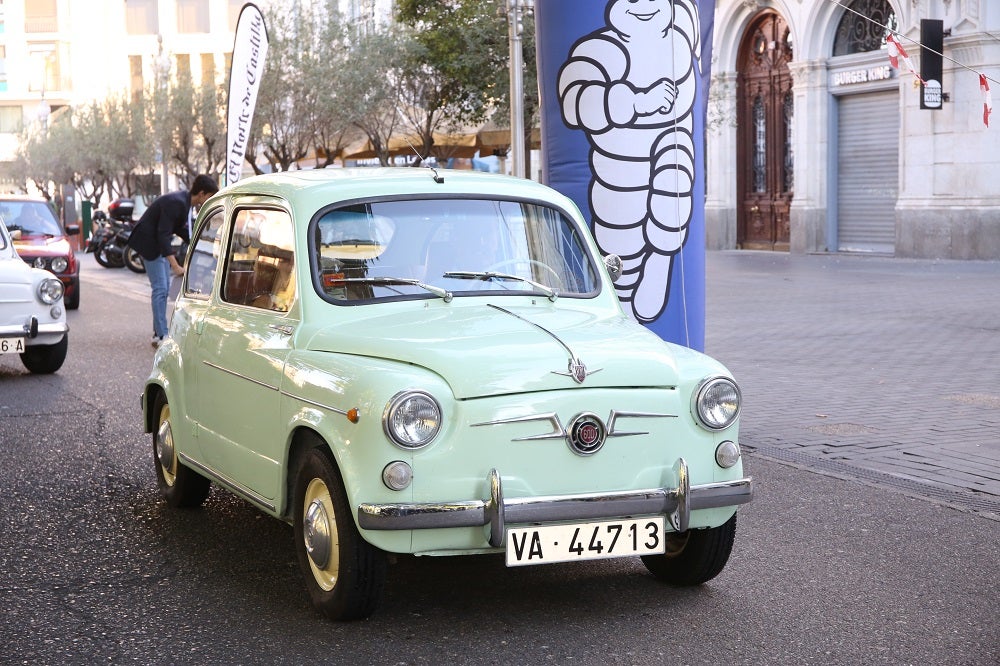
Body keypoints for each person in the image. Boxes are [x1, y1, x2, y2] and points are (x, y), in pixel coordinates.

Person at [128, 174, 219, 347]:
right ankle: (162, 335)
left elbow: (178, 229)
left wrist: (199, 244)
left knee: (163, 289)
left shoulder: (184, 202)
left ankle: (158, 332)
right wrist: (175, 265)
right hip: (150, 244)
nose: (210, 200)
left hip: (157, 245)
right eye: (209, 196)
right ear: (201, 193)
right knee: (160, 289)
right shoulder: (177, 203)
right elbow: (163, 235)